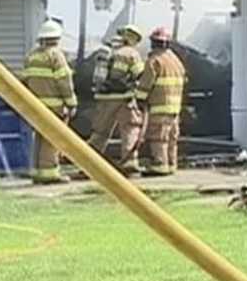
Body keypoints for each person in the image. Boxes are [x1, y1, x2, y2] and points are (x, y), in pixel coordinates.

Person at [20, 20, 77, 185]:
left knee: (39, 136)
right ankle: (49, 173)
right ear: (57, 38)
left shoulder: (31, 56)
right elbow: (64, 81)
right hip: (54, 106)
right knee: (52, 139)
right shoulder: (56, 56)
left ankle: (37, 170)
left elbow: (25, 79)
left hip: (35, 106)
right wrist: (71, 103)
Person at [90, 25, 146, 174]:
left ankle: (89, 161)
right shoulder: (131, 54)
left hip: (104, 98)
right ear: (132, 39)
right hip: (124, 98)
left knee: (100, 132)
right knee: (130, 128)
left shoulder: (107, 51)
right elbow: (140, 75)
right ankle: (129, 162)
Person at [135, 26, 187, 176]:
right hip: (175, 108)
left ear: (154, 43)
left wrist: (139, 99)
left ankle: (160, 165)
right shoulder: (176, 61)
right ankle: (171, 164)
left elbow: (146, 83)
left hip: (160, 106)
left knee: (158, 137)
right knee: (171, 137)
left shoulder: (154, 61)